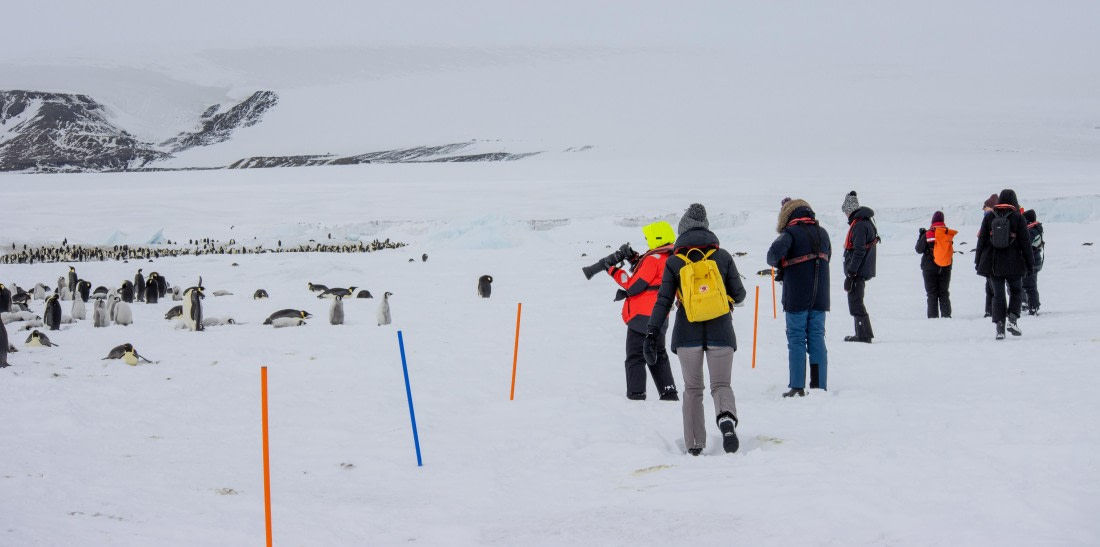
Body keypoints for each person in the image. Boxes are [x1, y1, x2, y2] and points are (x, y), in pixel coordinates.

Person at [643, 203, 747, 455]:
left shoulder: (674, 262)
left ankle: (695, 444)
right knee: (721, 384)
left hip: (686, 334)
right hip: (721, 331)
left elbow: (663, 301)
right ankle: (725, 418)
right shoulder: (722, 257)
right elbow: (740, 295)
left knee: (692, 389)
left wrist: (651, 333)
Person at [604, 221, 680, 401]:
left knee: (635, 356)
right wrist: (634, 259)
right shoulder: (670, 257)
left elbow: (633, 286)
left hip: (641, 316)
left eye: (648, 238)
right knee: (657, 353)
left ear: (656, 238)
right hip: (661, 315)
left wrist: (612, 270)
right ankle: (669, 393)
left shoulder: (653, 259)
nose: (647, 241)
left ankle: (636, 395)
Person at [767, 197, 830, 398]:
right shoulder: (823, 233)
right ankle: (819, 384)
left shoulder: (790, 233)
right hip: (820, 295)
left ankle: (797, 386)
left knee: (796, 338)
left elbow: (771, 256)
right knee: (817, 336)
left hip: (796, 295)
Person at [975, 189, 1034, 339]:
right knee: (1015, 291)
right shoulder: (1018, 217)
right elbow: (1026, 243)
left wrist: (978, 261)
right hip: (1014, 263)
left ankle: (999, 328)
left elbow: (981, 240)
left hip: (994, 264)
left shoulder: (989, 217)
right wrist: (1030, 263)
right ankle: (1012, 319)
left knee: (998, 295)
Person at [841, 191, 879, 342]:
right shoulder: (866, 222)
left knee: (856, 302)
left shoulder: (860, 225)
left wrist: (851, 273)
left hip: (858, 271)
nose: (845, 215)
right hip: (861, 270)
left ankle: (863, 335)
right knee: (856, 301)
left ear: (850, 210)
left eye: (845, 211)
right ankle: (863, 333)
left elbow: (859, 251)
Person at [915, 211, 955, 318]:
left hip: (929, 268)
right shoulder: (947, 233)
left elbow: (919, 249)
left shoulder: (927, 234)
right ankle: (946, 316)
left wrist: (921, 236)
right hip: (945, 266)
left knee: (932, 294)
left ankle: (933, 318)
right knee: (944, 292)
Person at [1021, 209, 1044, 315]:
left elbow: (1026, 244)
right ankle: (1033, 306)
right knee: (1030, 285)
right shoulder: (1035, 229)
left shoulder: (1031, 231)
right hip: (1036, 261)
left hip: (1032, 262)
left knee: (1030, 286)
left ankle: (1034, 307)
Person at [981, 193, 998, 317]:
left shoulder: (987, 219)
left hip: (989, 258)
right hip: (1002, 258)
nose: (983, 209)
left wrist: (978, 261)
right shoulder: (1006, 218)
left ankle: (990, 311)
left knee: (991, 287)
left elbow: (982, 240)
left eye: (985, 206)